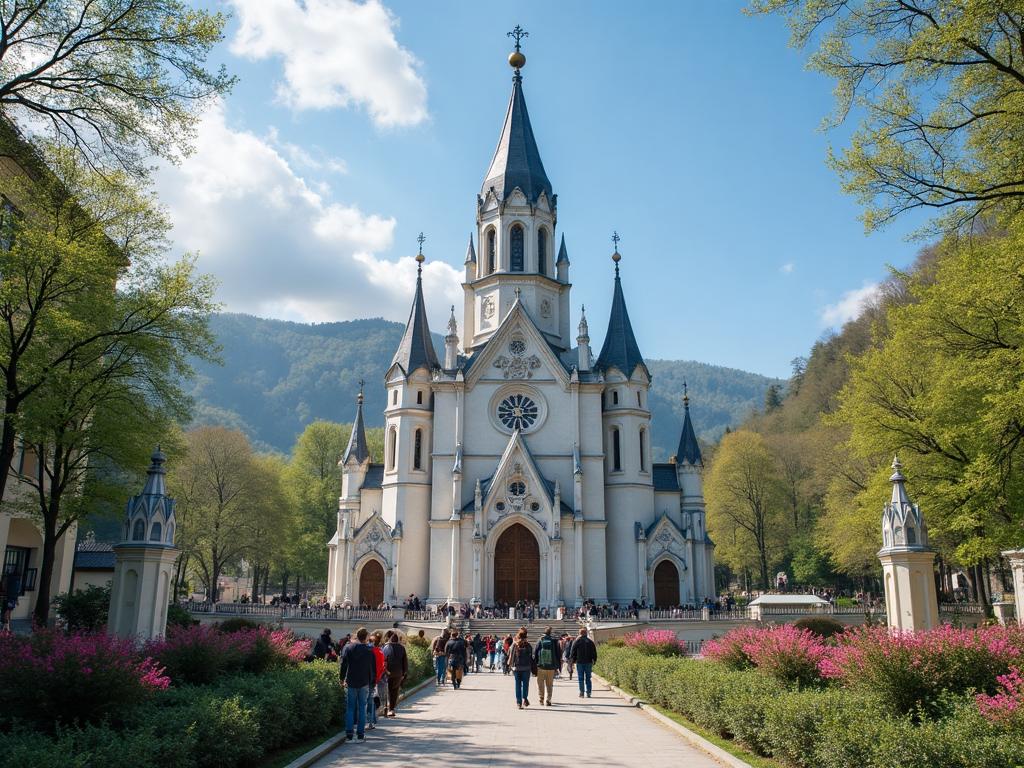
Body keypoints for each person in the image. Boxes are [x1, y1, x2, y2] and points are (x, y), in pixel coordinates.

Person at [339, 627, 377, 742]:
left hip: (351, 681)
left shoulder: (349, 648)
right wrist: (373, 682)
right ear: (365, 637)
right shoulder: (370, 650)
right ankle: (360, 734)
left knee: (350, 708)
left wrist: (341, 679)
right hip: (364, 682)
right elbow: (372, 669)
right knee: (362, 708)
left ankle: (349, 734)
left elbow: (344, 664)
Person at [382, 630, 408, 717]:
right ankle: (391, 709)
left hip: (387, 672)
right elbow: (405, 662)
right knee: (395, 690)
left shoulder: (385, 648)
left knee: (388, 690)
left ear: (390, 640)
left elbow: (383, 660)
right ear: (397, 640)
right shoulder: (402, 648)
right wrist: (404, 673)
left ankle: (386, 707)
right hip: (398, 673)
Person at [533, 626, 559, 706]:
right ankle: (548, 699)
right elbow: (557, 654)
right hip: (551, 666)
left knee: (540, 684)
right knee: (549, 684)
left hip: (541, 666)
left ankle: (541, 699)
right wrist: (556, 666)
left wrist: (536, 664)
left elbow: (535, 652)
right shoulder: (554, 641)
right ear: (550, 633)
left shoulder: (540, 640)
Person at [570, 627, 598, 699]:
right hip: (588, 662)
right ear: (586, 633)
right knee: (588, 678)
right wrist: (594, 660)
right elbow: (594, 652)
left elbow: (573, 652)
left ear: (580, 634)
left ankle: (582, 693)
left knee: (581, 678)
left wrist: (572, 661)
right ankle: (588, 692)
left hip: (579, 662)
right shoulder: (590, 642)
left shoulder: (577, 641)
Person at [367, 631, 387, 731]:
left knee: (365, 702)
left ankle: (367, 721)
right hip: (374, 679)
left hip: (365, 679)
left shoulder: (367, 651)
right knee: (371, 700)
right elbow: (382, 667)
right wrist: (377, 678)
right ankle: (371, 721)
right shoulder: (380, 652)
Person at [510, 628, 534, 709]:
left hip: (517, 668)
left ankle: (518, 702)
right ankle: (525, 698)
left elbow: (511, 656)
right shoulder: (528, 645)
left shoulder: (515, 644)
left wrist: (511, 666)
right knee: (525, 685)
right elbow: (531, 657)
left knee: (518, 685)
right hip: (526, 668)